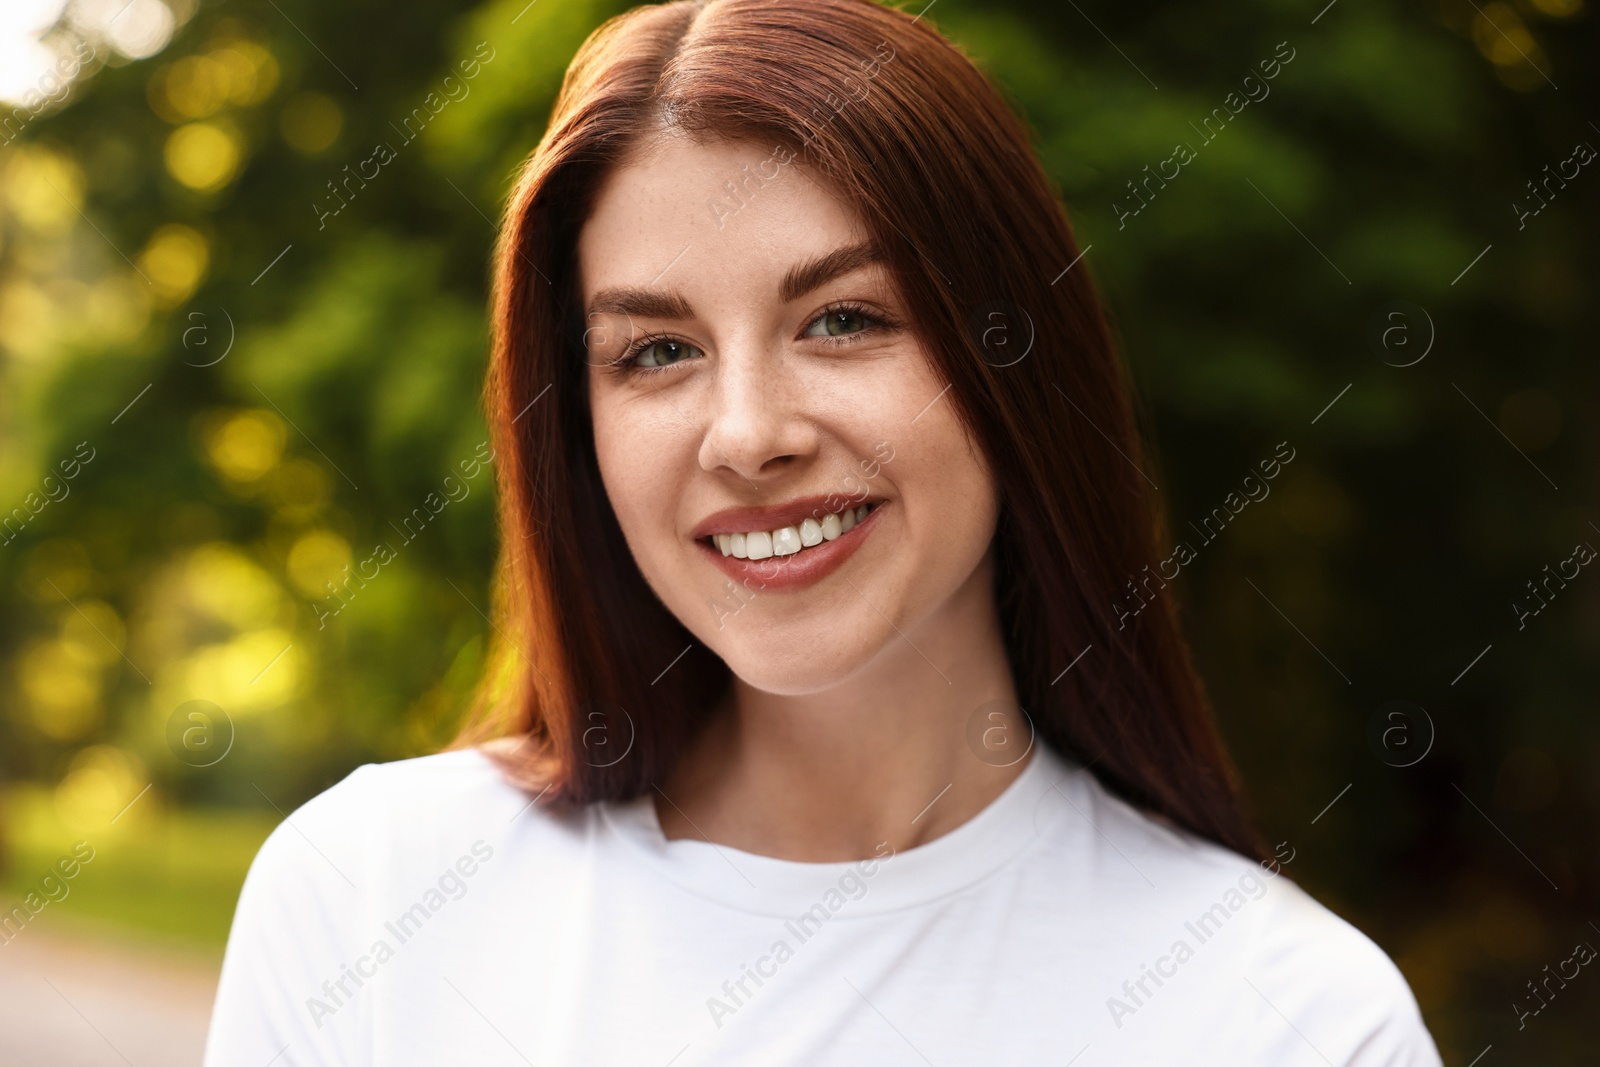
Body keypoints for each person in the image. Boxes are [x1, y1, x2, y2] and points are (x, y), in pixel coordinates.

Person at [204, 0, 1443, 1062]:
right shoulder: (371, 900)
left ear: (1011, 356)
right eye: (656, 351)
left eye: (843, 319)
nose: (746, 434)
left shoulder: (1289, 1019)